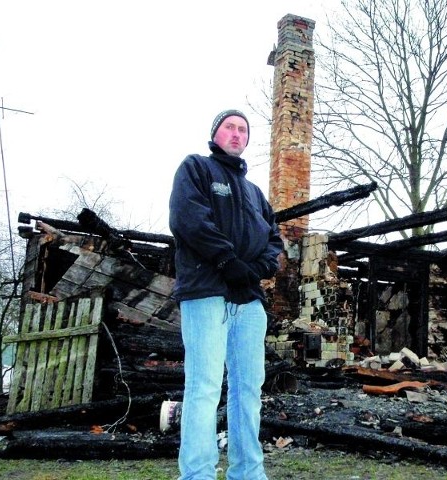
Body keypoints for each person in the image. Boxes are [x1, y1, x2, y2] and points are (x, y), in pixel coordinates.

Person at [169, 109, 283, 480]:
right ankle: (198, 475)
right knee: (203, 386)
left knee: (248, 389)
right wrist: (226, 261)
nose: (236, 134)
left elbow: (274, 240)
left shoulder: (254, 193)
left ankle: (248, 472)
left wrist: (257, 270)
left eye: (243, 130)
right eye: (229, 127)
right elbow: (188, 220)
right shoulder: (197, 169)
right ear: (215, 134)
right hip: (207, 291)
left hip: (248, 300)